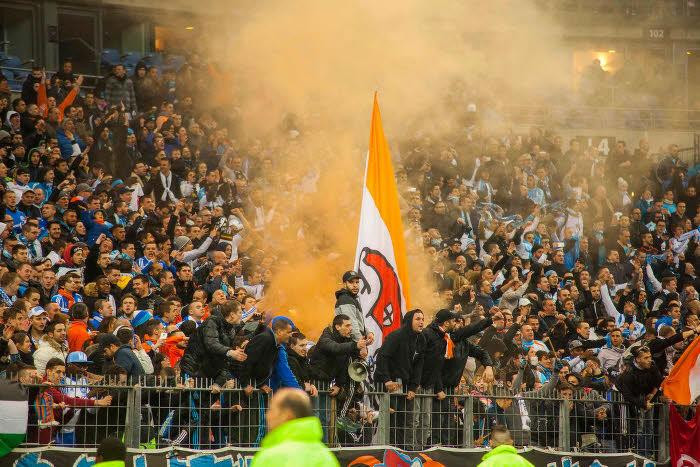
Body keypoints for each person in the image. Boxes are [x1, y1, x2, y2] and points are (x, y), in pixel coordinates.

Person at [251, 388, 339, 467]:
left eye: (272, 410)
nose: (267, 415)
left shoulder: (269, 457)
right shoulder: (326, 457)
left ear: (288, 415)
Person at [333, 270, 374, 345]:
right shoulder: (346, 299)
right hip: (350, 343)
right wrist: (361, 344)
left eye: (357, 282)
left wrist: (367, 333)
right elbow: (352, 325)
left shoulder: (351, 298)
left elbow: (357, 322)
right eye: (351, 282)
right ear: (344, 284)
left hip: (353, 343)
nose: (355, 285)